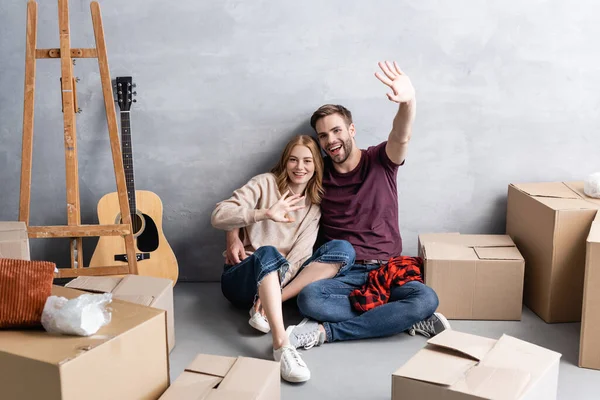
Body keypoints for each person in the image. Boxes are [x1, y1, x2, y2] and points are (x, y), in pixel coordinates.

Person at [282, 61, 451, 349]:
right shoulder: (317, 173)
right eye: (323, 136)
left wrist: (408, 102)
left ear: (351, 129)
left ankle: (329, 332)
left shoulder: (381, 161)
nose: (331, 140)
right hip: (342, 273)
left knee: (426, 298)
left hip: (388, 270)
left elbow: (401, 135)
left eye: (336, 131)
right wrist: (234, 230)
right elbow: (271, 192)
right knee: (308, 299)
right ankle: (400, 319)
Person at [211, 135, 355, 383]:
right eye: (293, 160)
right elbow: (219, 215)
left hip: (280, 281)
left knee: (343, 250)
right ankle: (282, 345)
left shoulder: (313, 206)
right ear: (285, 162)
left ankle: (266, 305)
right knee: (268, 252)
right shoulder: (264, 184)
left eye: (308, 161)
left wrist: (274, 292)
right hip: (241, 278)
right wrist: (264, 213)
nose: (300, 167)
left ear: (316, 166)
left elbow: (299, 258)